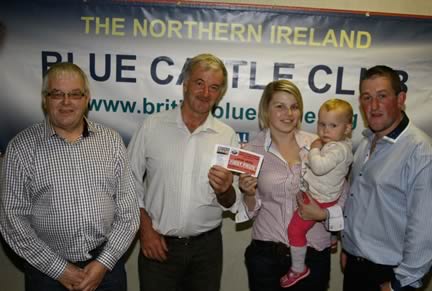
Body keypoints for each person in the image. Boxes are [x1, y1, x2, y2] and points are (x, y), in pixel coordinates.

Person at [0, 62, 140, 291]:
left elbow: (129, 212)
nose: (66, 102)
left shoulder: (112, 142)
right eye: (57, 94)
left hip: (106, 268)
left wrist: (103, 263)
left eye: (75, 94)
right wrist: (58, 269)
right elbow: (12, 219)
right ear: (45, 99)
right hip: (46, 271)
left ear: (87, 98)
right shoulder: (21, 148)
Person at [128, 53, 240, 291]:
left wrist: (225, 190)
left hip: (207, 251)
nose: (205, 93)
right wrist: (145, 230)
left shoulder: (227, 136)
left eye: (214, 87)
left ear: (220, 94)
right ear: (185, 84)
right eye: (199, 83)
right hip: (158, 246)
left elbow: (233, 201)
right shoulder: (152, 126)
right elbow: (128, 182)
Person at [238, 80, 346, 291]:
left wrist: (326, 216)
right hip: (266, 257)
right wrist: (248, 193)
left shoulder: (319, 144)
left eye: (294, 106)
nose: (288, 113)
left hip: (312, 256)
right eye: (280, 106)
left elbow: (343, 192)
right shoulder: (251, 150)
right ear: (266, 110)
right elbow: (250, 212)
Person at [342, 65, 432, 291]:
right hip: (356, 266)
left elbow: (425, 227)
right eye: (367, 97)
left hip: (391, 275)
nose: (373, 106)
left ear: (401, 99)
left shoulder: (419, 151)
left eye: (382, 96)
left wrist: (400, 283)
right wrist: (348, 249)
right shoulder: (365, 142)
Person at [280, 99, 353, 288]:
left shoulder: (337, 149)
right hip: (326, 196)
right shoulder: (339, 145)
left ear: (347, 128)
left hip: (320, 201)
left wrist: (314, 149)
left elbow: (319, 167)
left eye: (333, 125)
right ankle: (333, 237)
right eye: (321, 124)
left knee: (294, 231)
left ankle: (298, 269)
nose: (325, 130)